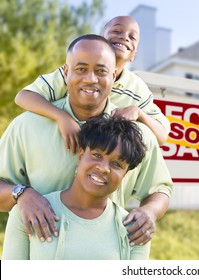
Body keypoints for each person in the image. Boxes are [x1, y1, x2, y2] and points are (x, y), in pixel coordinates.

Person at [0, 34, 172, 248]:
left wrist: (150, 212)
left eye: (101, 71)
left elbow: (160, 189)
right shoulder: (26, 126)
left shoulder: (138, 135)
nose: (91, 79)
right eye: (81, 69)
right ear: (66, 72)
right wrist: (22, 194)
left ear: (114, 74)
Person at [2, 116, 150, 260]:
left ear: (125, 174)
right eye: (97, 155)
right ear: (80, 156)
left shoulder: (135, 229)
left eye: (117, 164)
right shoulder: (29, 212)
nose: (104, 168)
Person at [15, 15, 169, 149]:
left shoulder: (137, 88)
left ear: (134, 54)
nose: (124, 37)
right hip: (61, 145)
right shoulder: (74, 73)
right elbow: (24, 96)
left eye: (132, 37)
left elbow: (162, 137)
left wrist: (139, 113)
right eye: (116, 31)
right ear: (100, 40)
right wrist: (62, 117)